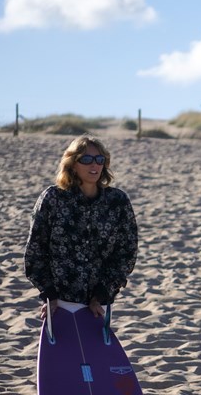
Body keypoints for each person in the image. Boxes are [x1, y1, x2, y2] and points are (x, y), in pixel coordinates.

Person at [25, 135, 138, 319]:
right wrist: (49, 295)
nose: (94, 165)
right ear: (72, 163)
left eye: (99, 160)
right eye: (86, 159)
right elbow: (35, 251)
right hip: (58, 304)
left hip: (98, 306)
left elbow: (126, 253)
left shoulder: (117, 201)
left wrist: (103, 293)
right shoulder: (52, 198)